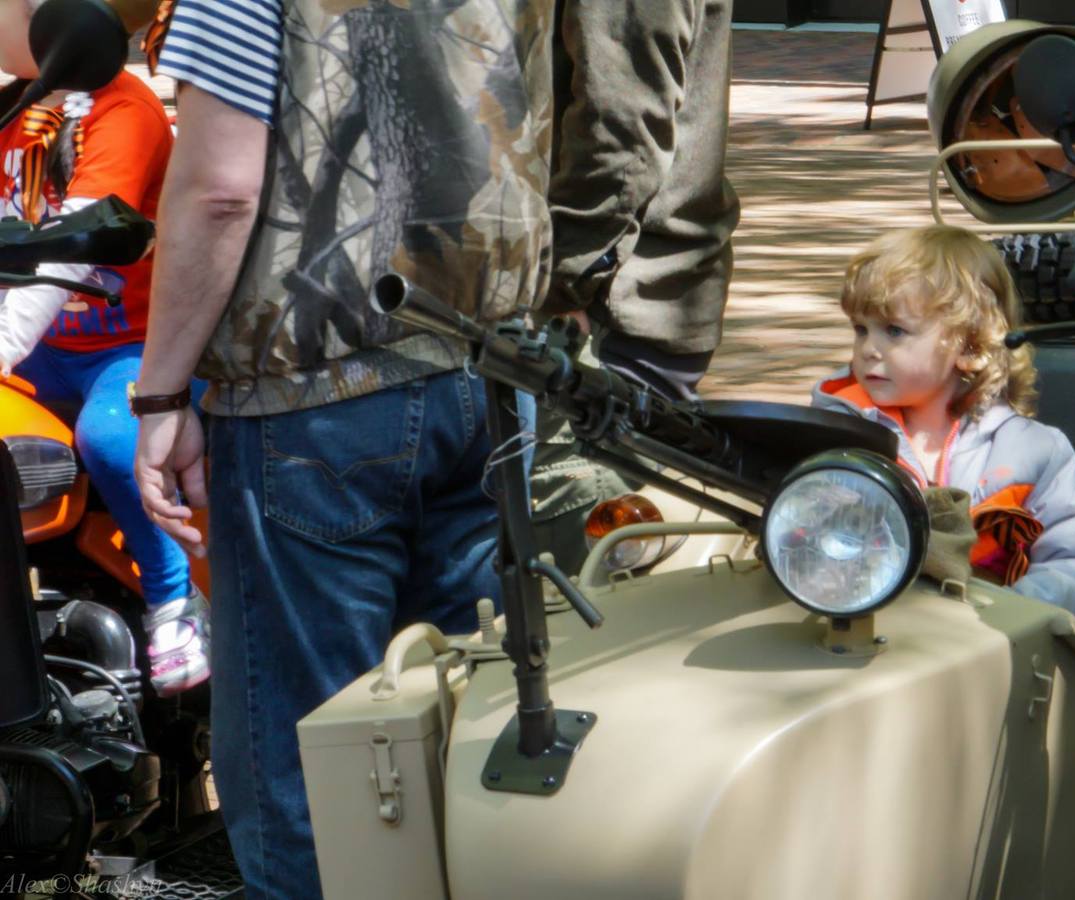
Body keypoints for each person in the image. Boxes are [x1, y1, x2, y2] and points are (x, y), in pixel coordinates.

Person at [130, 0, 554, 895]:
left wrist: (162, 391)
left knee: (310, 767)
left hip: (313, 398)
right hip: (493, 370)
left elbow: (220, 188)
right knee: (469, 737)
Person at [0, 0, 208, 696]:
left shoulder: (124, 113)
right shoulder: (11, 115)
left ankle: (175, 602)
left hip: (131, 345)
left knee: (114, 437)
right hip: (42, 348)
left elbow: (72, 252)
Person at [529, 0, 740, 574]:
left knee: (576, 571)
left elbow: (621, 132)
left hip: (604, 310)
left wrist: (559, 286)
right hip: (615, 295)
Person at [812, 225, 1075, 620]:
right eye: (861, 330)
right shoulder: (833, 435)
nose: (869, 350)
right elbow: (803, 540)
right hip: (862, 630)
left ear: (970, 348)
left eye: (894, 331)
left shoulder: (1033, 452)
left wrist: (1007, 618)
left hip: (992, 640)